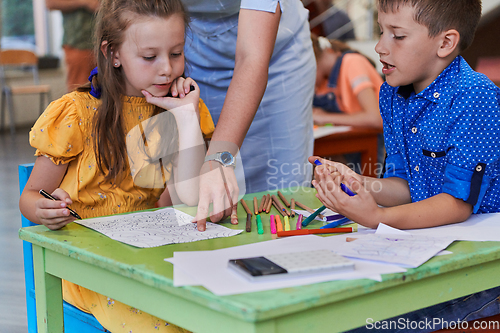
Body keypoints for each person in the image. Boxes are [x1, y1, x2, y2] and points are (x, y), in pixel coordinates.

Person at [19, 0, 214, 331]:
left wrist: (185, 118)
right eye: (150, 57)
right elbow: (30, 196)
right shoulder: (77, 113)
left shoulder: (177, 109)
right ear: (113, 55)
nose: (167, 69)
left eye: (177, 53)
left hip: (150, 256)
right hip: (87, 267)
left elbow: (188, 199)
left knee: (214, 309)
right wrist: (43, 210)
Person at [310, 0, 500, 331]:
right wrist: (359, 184)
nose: (381, 47)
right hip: (429, 250)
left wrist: (378, 217)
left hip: (481, 269)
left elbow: (457, 205)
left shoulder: (474, 95)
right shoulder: (392, 93)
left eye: (397, 36)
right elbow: (406, 187)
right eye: (381, 31)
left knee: (364, 324)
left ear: (445, 43)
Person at [182, 0, 316, 231]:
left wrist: (219, 157)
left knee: (281, 195)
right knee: (205, 197)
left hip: (275, 56)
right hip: (193, 54)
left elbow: (252, 57)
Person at [311, 34, 384, 128]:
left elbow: (375, 118)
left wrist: (324, 117)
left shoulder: (352, 62)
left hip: (382, 138)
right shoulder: (324, 80)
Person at [46, 0, 99, 92]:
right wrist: (85, 2)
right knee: (80, 94)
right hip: (79, 43)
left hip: (110, 42)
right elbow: (50, 2)